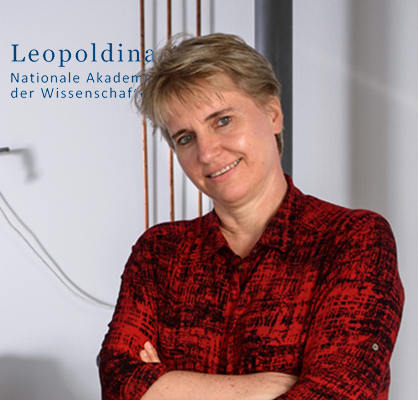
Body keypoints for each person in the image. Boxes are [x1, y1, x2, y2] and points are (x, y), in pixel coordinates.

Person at [99, 33, 404, 400]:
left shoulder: (353, 238)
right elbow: (118, 381)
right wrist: (267, 386)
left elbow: (339, 392)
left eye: (223, 120)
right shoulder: (159, 252)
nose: (207, 153)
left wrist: (168, 386)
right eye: (185, 138)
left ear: (273, 113)